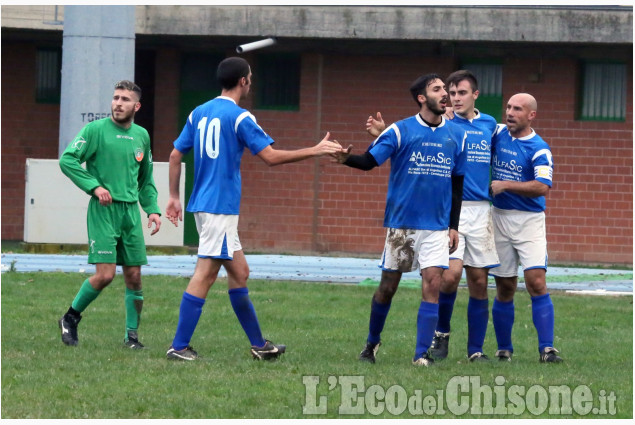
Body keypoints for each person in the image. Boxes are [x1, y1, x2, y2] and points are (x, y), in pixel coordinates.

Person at [164, 56, 343, 361]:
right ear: (244, 81)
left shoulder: (198, 113)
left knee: (241, 272)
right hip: (219, 207)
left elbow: (174, 155)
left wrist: (173, 196)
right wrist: (315, 150)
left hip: (204, 206)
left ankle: (260, 346)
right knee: (204, 274)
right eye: (251, 78)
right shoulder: (241, 117)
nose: (252, 82)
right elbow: (270, 157)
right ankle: (179, 346)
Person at [332, 74, 467, 367]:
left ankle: (421, 354)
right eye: (437, 89)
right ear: (422, 98)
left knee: (433, 282)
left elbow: (458, 183)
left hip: (437, 226)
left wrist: (453, 225)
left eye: (445, 88)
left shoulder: (457, 135)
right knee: (387, 287)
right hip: (402, 224)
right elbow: (369, 161)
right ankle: (371, 342)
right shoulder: (399, 130)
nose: (445, 93)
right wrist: (346, 159)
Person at [366, 70, 500, 362]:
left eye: (460, 92)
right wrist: (385, 132)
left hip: (475, 211)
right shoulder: (446, 122)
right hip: (436, 212)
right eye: (449, 93)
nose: (453, 98)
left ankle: (473, 351)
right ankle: (438, 335)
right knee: (442, 279)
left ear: (475, 95)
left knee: (475, 280)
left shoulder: (491, 126)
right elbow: (417, 134)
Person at [58, 80, 162, 349]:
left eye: (125, 99)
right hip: (104, 211)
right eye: (115, 97)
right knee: (105, 275)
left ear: (136, 106)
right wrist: (94, 186)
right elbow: (67, 159)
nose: (118, 103)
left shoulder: (142, 136)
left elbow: (145, 178)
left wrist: (152, 210)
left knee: (134, 276)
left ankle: (132, 337)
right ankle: (70, 318)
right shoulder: (95, 130)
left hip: (130, 214)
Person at [489, 93, 562, 363]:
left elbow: (542, 187)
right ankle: (504, 349)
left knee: (536, 281)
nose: (510, 112)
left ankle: (547, 349)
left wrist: (506, 184)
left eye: (517, 109)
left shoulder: (539, 148)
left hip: (530, 221)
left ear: (531, 115)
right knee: (505, 286)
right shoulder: (496, 133)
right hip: (498, 218)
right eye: (508, 107)